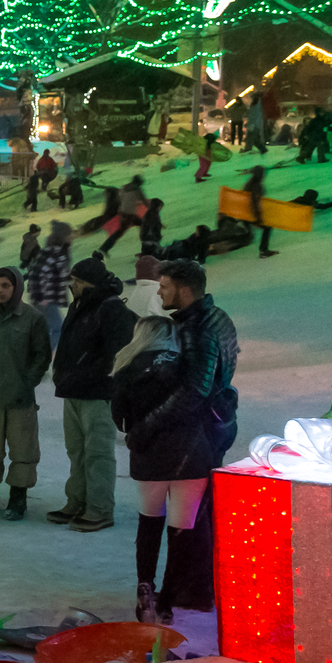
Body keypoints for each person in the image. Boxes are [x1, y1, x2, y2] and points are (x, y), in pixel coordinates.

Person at [121, 259, 239, 618]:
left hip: (194, 436)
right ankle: (189, 591)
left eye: (165, 286)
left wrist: (147, 424)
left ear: (185, 291)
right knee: (189, 521)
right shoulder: (214, 317)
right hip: (209, 431)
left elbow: (195, 390)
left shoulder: (196, 329)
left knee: (179, 523)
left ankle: (179, 593)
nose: (159, 291)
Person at [110, 315, 217, 624]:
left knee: (149, 522)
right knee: (181, 529)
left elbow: (120, 418)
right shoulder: (187, 366)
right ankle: (167, 600)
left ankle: (146, 585)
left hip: (149, 457)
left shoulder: (127, 365)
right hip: (191, 456)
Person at [46, 256, 137, 533]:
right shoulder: (80, 304)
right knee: (77, 451)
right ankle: (77, 501)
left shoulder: (111, 310)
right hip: (73, 390)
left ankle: (99, 508)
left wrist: (83, 375)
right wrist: (63, 374)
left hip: (98, 394)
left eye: (77, 281)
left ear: (90, 284)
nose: (71, 286)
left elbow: (116, 356)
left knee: (98, 452)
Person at [0, 266, 52, 520]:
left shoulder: (33, 318)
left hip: (20, 398)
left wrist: (27, 383)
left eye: (6, 285)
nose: (1, 290)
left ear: (17, 288)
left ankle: (18, 499)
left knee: (23, 450)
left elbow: (41, 356)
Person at [26, 221, 73, 345]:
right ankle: (44, 357)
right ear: (63, 237)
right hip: (46, 299)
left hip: (45, 298)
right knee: (57, 329)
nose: (71, 238)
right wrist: (41, 296)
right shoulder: (56, 253)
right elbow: (39, 273)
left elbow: (58, 273)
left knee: (46, 328)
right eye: (69, 235)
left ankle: (40, 355)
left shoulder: (51, 251)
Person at [243, 165, 277, 260]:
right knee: (267, 227)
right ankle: (263, 251)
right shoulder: (257, 186)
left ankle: (262, 249)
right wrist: (259, 217)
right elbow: (256, 202)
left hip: (244, 213)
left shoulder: (248, 184)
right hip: (251, 213)